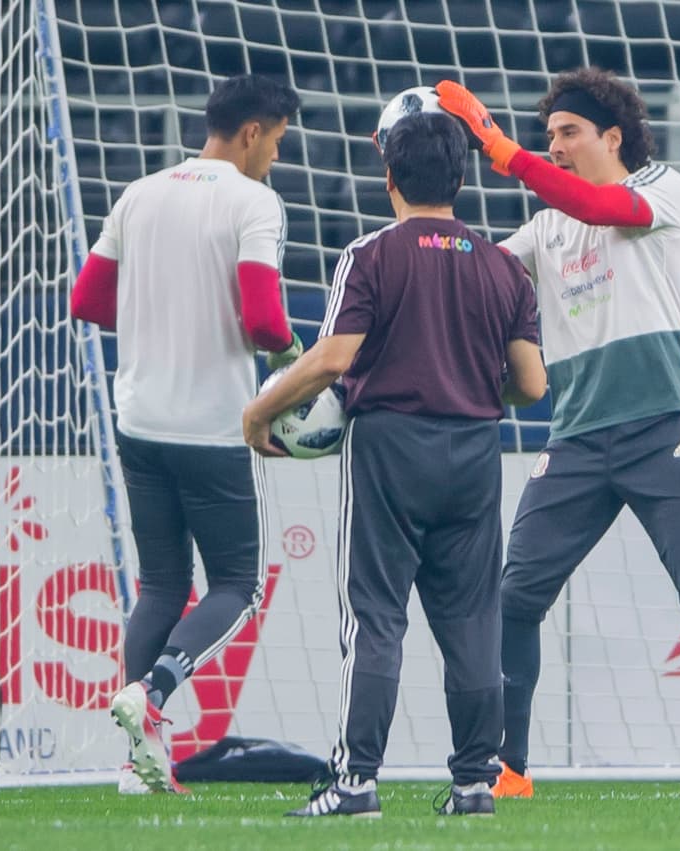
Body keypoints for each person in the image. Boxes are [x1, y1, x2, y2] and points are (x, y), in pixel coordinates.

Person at [436, 69, 680, 798]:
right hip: (577, 439)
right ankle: (511, 769)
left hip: (658, 430)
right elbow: (480, 272)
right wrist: (426, 237)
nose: (553, 145)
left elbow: (596, 204)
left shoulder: (662, 188)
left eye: (568, 132)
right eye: (547, 135)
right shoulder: (546, 226)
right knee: (516, 597)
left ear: (612, 136)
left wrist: (504, 152)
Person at [243, 111, 547, 817]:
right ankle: (475, 784)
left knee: (375, 617)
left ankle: (355, 783)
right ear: (461, 179)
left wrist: (259, 413)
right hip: (475, 449)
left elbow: (332, 360)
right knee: (473, 619)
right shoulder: (503, 266)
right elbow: (532, 386)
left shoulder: (370, 253)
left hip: (390, 446)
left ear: (389, 179)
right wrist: (469, 381)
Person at [69, 74, 303, 794]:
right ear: (253, 132)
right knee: (236, 584)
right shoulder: (254, 201)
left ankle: (139, 765)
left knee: (163, 584)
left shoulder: (138, 194)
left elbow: (87, 300)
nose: (276, 158)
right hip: (212, 427)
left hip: (140, 421)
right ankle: (157, 689)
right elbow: (264, 322)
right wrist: (294, 361)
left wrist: (159, 320)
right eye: (278, 142)